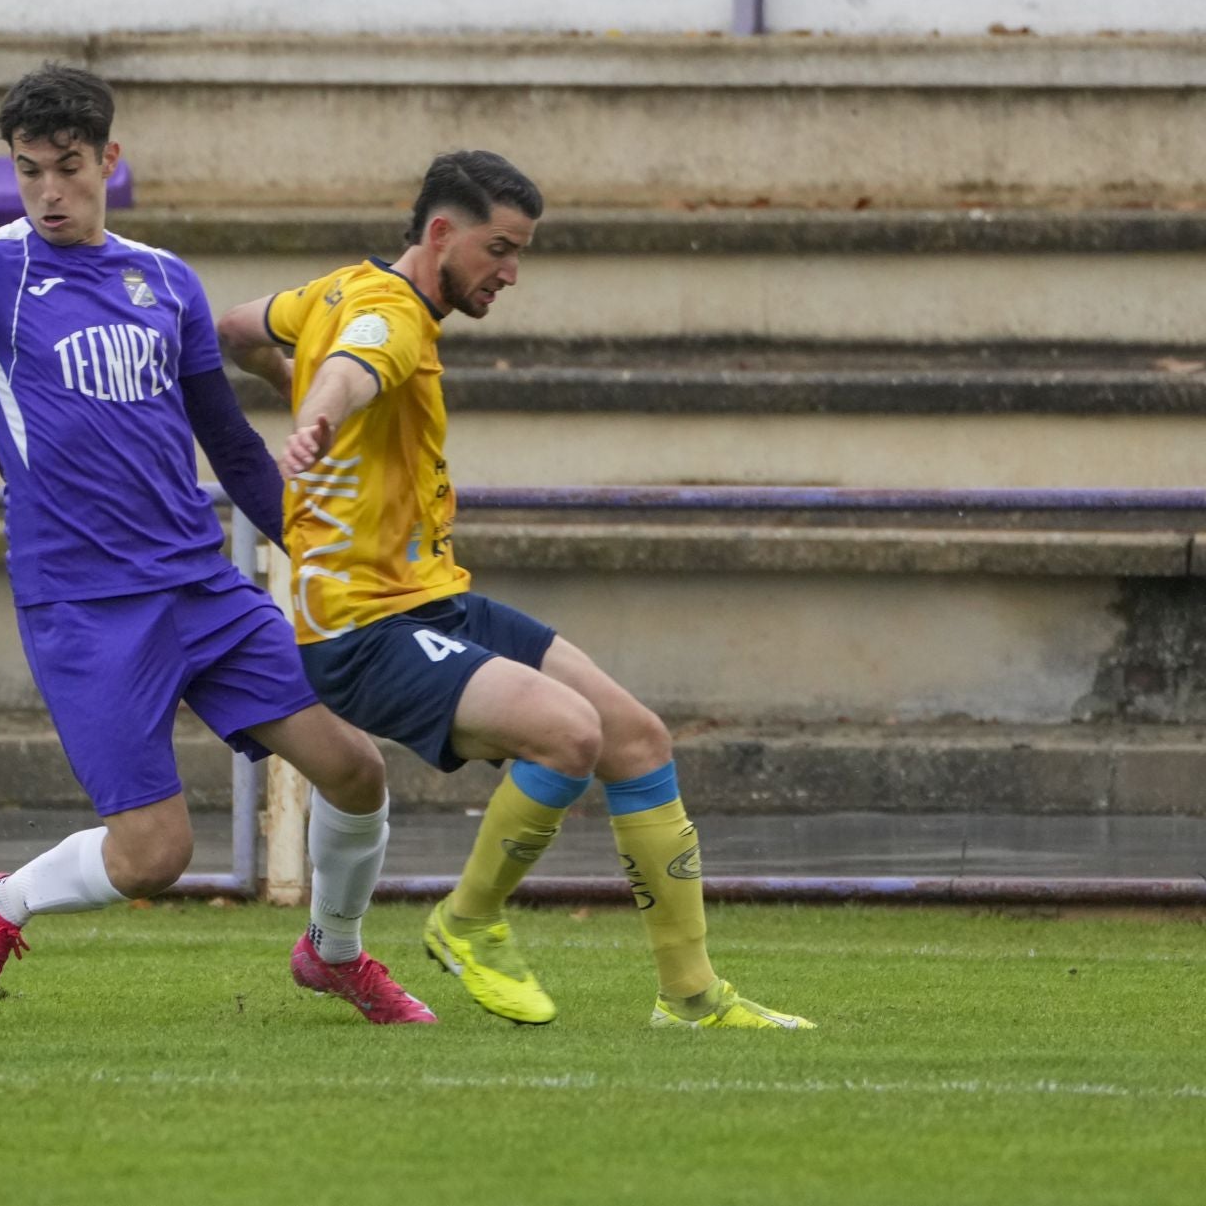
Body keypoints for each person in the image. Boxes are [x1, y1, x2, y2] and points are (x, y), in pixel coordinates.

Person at [0, 64, 432, 1026]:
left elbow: (227, 443)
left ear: (109, 158)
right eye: (29, 173)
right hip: (86, 605)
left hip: (201, 585)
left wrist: (317, 554)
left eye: (67, 168)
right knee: (156, 854)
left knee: (356, 766)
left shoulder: (167, 280)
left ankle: (335, 952)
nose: (49, 193)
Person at [216, 150, 813, 1030]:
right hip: (363, 628)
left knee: (636, 738)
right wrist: (320, 413)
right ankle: (469, 921)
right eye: (499, 248)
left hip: (430, 598)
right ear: (442, 232)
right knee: (570, 734)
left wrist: (292, 387)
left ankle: (690, 998)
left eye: (520, 251)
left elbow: (234, 326)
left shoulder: (339, 289)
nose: (510, 272)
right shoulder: (390, 316)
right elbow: (357, 366)